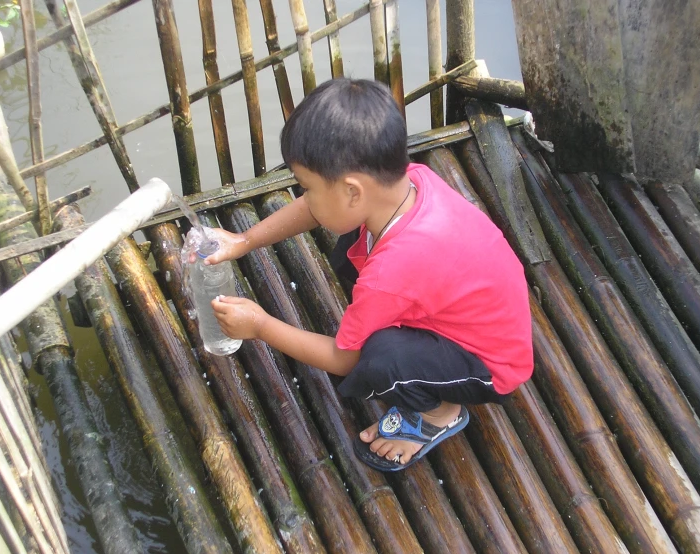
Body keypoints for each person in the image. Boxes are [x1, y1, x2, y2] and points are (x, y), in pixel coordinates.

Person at [207, 78, 533, 472]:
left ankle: (439, 414)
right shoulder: (407, 183)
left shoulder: (391, 270)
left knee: (381, 359)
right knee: (349, 244)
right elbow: (319, 209)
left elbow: (344, 360)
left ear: (352, 191)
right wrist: (244, 240)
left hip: (491, 366)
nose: (304, 197)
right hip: (479, 311)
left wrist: (260, 325)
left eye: (306, 187)